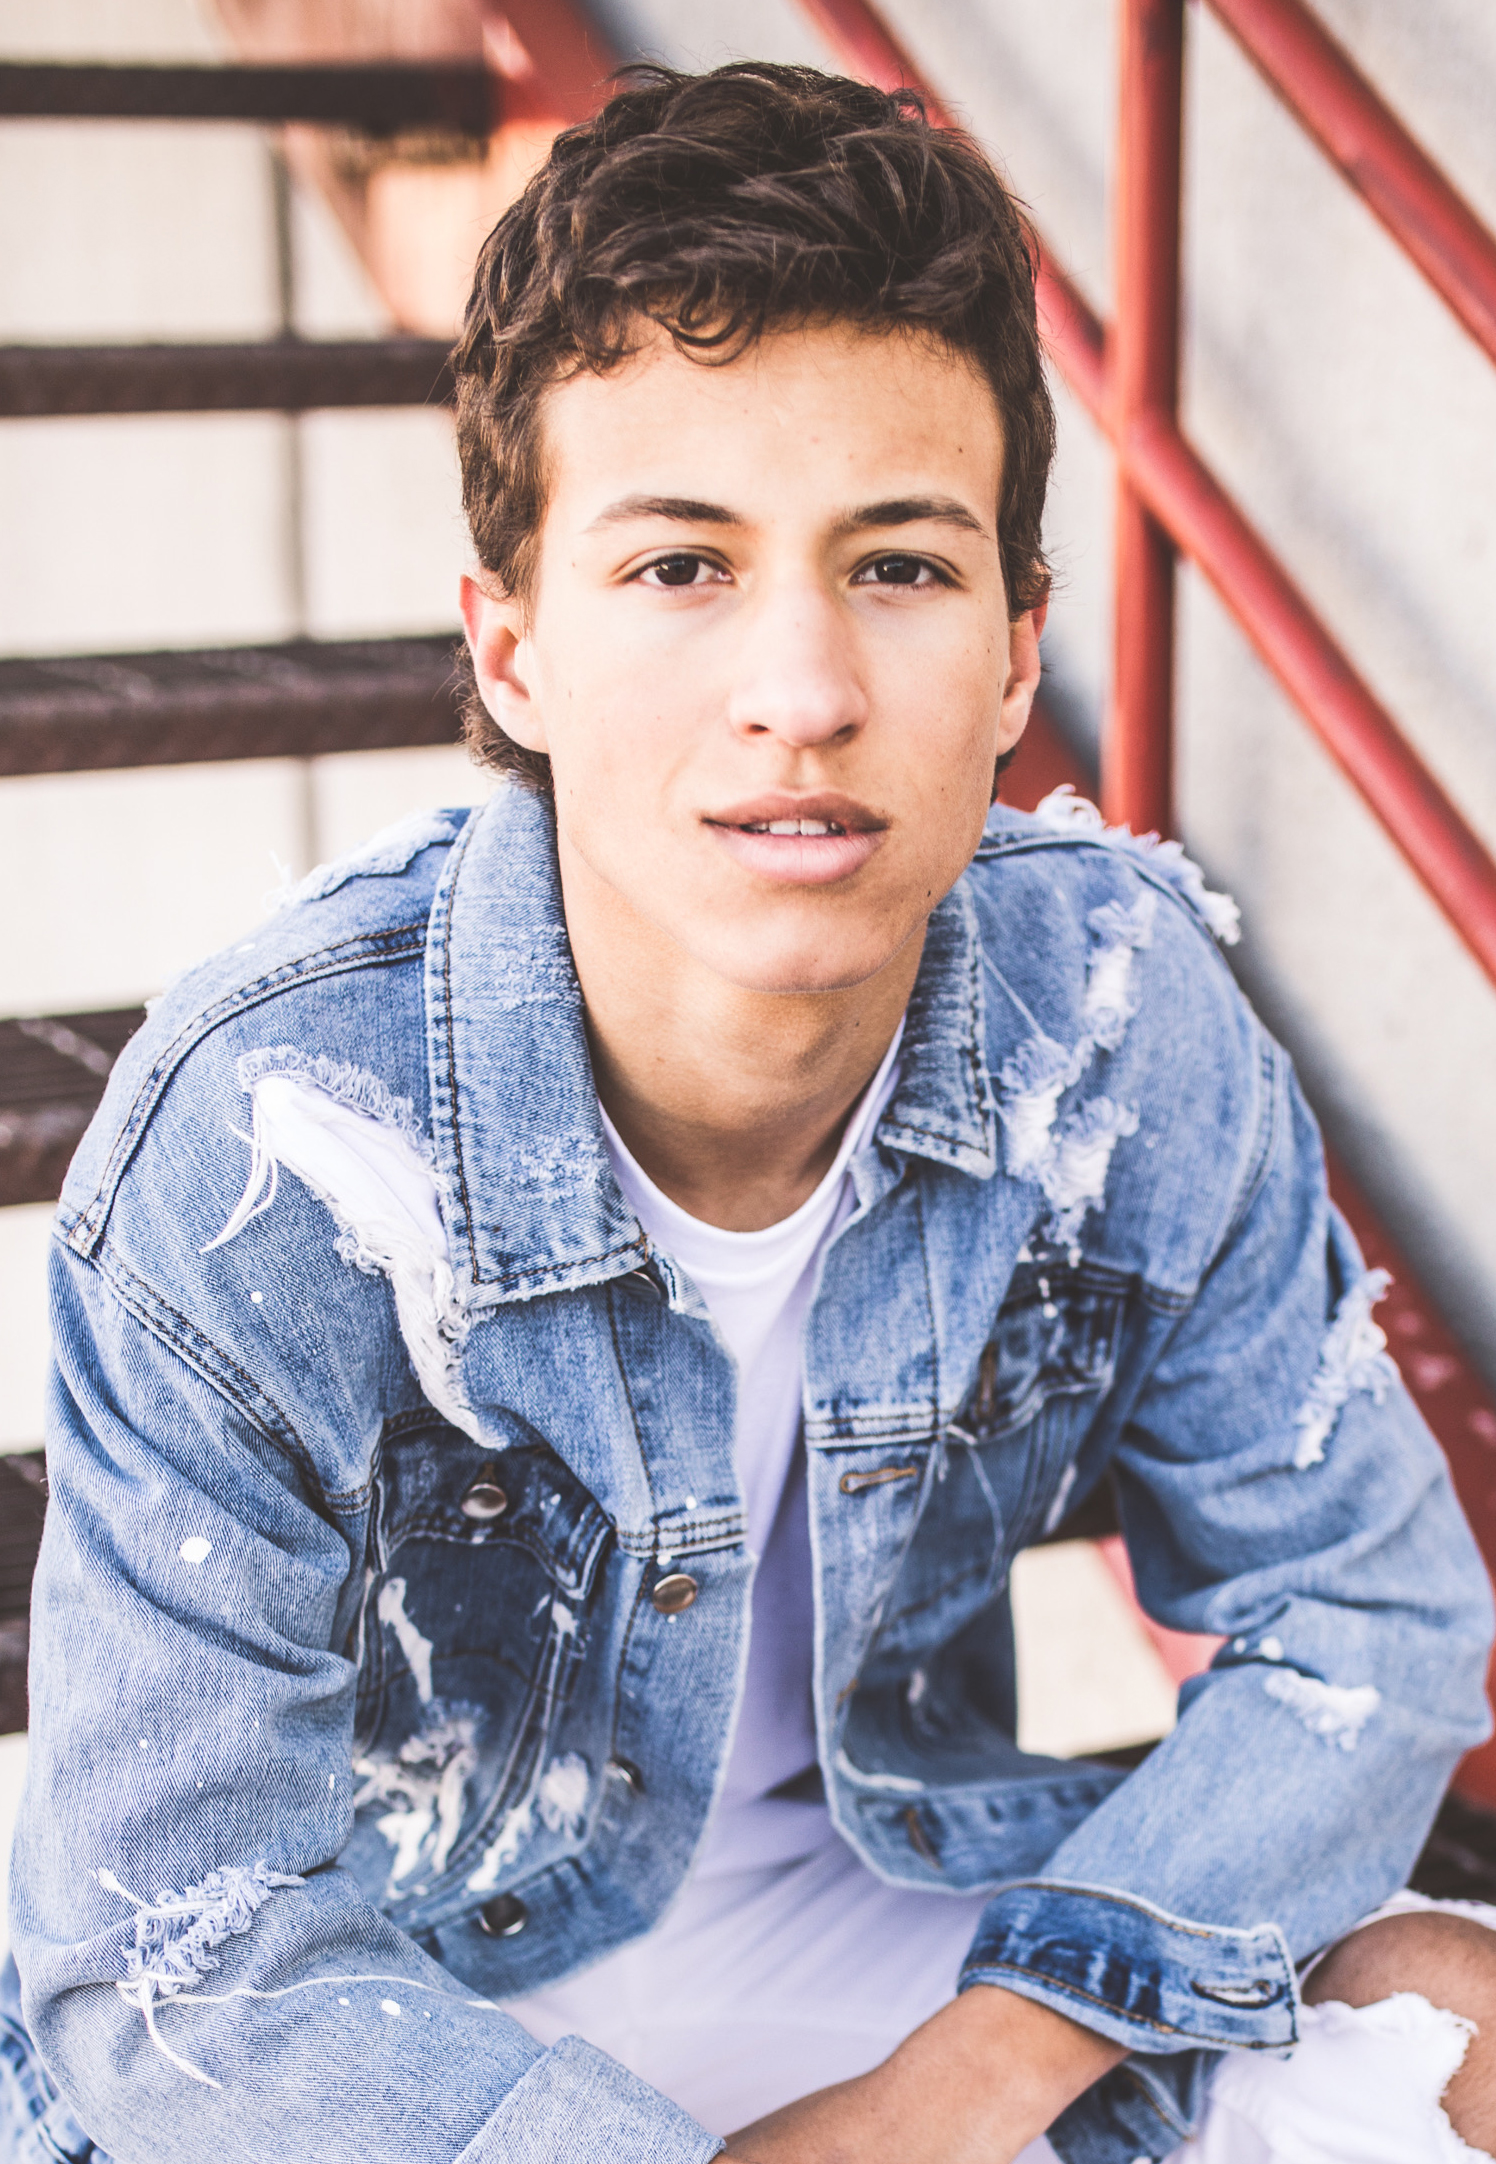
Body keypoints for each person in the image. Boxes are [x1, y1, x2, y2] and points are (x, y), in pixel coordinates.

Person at [3, 60, 1495, 2164]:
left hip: (888, 1919)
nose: (801, 690)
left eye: (898, 568)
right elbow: (179, 1963)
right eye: (681, 567)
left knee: (1457, 2025)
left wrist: (957, 2087)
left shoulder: (1112, 1017)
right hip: (384, 2018)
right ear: (510, 649)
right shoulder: (270, 1150)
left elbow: (1369, 1614)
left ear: (1016, 656)